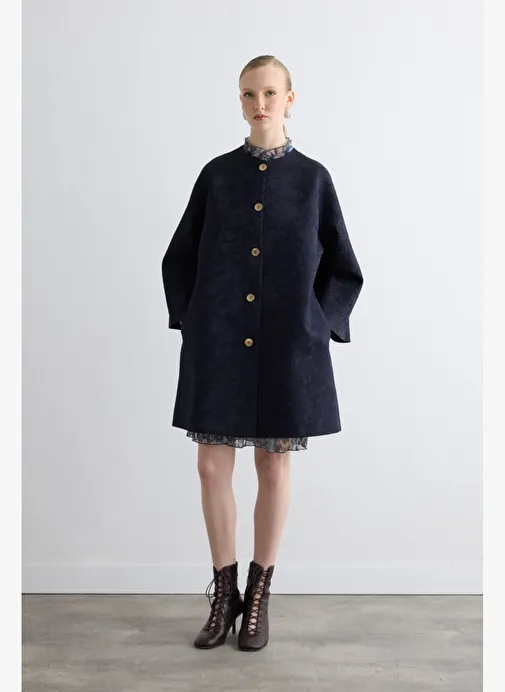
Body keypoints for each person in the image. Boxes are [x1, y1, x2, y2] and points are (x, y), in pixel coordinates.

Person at [161, 55, 364, 652]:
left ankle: (258, 597)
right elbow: (179, 256)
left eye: (270, 93)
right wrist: (194, 319)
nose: (259, 104)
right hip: (220, 341)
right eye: (249, 94)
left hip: (286, 344)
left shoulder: (313, 179)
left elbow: (343, 268)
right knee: (210, 466)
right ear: (240, 100)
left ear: (290, 98)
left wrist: (317, 323)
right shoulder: (217, 176)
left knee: (273, 466)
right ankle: (223, 595)